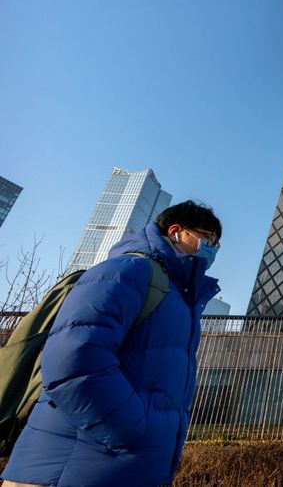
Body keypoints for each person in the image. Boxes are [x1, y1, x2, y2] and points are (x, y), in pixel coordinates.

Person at [1, 201, 222, 487]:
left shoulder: (179, 297)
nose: (212, 249)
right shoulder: (129, 270)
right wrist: (130, 430)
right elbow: (74, 356)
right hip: (70, 468)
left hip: (118, 467)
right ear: (176, 231)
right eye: (207, 238)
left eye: (216, 244)